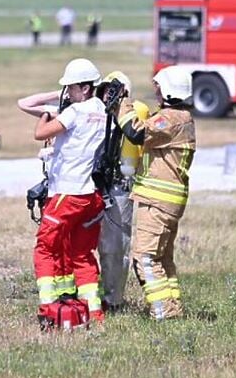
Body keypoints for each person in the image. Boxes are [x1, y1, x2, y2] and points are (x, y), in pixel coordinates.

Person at [28, 58, 107, 325]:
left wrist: (46, 114)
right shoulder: (101, 109)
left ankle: (49, 307)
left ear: (85, 88)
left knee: (45, 248)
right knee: (82, 254)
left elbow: (41, 134)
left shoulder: (74, 112)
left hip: (67, 191)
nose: (68, 93)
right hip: (91, 195)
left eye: (71, 87)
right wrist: (59, 96)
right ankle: (93, 311)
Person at [117, 65, 196, 320]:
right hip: (168, 201)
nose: (157, 94)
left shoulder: (172, 118)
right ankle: (173, 307)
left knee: (145, 258)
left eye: (159, 89)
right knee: (163, 259)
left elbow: (136, 132)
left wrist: (122, 103)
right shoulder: (181, 118)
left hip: (158, 201)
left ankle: (164, 311)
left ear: (170, 90)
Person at [94, 71, 149, 312]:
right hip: (93, 185)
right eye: (105, 89)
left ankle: (113, 299)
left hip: (119, 186)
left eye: (113, 89)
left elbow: (135, 132)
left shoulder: (135, 111)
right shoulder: (93, 113)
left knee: (115, 247)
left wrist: (121, 107)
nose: (108, 94)